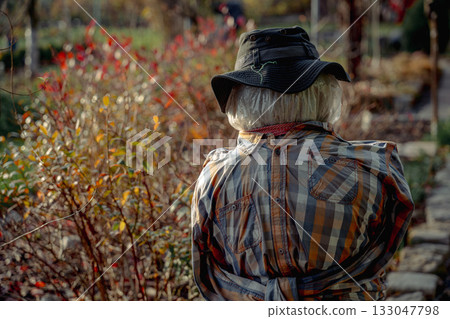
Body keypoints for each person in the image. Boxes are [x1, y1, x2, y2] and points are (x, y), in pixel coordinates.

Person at [191, 26, 414, 301]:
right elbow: (382, 252)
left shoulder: (214, 178)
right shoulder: (376, 168)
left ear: (240, 98)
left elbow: (207, 277)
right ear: (323, 90)